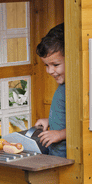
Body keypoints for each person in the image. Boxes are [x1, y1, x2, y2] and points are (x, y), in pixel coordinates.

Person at [34, 23, 66, 157]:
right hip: (55, 154)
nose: (50, 71)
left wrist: (60, 134)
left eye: (56, 65)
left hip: (67, 158)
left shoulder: (75, 89)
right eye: (46, 65)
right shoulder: (63, 86)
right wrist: (50, 121)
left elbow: (83, 125)